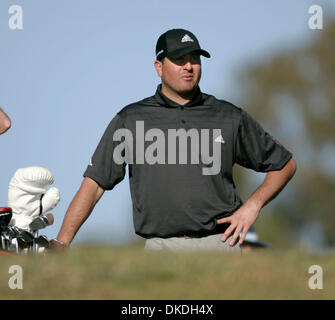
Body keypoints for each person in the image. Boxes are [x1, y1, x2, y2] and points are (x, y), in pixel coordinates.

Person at [51, 28, 296, 252]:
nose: (189, 66)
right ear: (159, 67)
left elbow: (284, 165)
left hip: (222, 244)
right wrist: (62, 242)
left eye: (194, 59)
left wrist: (252, 206)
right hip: (161, 248)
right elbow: (94, 185)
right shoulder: (131, 119)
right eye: (179, 60)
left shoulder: (228, 116)